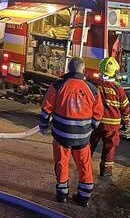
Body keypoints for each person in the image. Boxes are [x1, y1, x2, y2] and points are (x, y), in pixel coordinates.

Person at [39, 57, 103, 207]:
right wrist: (90, 128)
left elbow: (46, 108)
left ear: (68, 69)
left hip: (61, 136)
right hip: (82, 138)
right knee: (85, 165)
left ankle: (62, 195)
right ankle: (84, 197)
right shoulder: (92, 89)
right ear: (83, 70)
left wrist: (43, 126)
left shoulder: (58, 85)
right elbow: (98, 114)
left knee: (62, 163)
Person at [90, 57, 129, 176]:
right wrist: (125, 122)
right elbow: (125, 107)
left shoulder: (94, 84)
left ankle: (84, 164)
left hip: (96, 121)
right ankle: (106, 171)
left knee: (90, 143)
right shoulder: (119, 89)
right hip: (112, 124)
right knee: (110, 148)